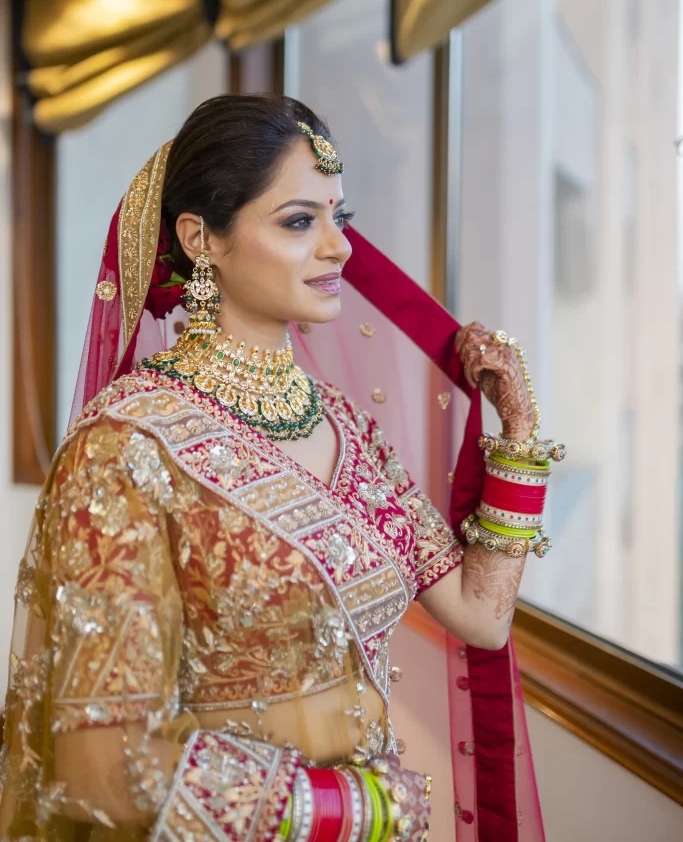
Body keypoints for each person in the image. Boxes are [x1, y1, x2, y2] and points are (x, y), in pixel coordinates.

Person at [0, 95, 562, 841]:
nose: (339, 248)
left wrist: (519, 438)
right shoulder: (127, 449)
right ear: (201, 238)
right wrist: (362, 808)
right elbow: (105, 766)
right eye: (300, 221)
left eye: (340, 218)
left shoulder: (343, 428)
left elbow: (480, 616)